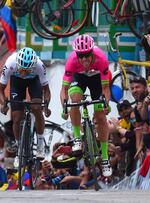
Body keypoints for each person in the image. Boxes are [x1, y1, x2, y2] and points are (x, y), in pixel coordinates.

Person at [60, 34, 112, 177]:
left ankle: (105, 158)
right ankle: (77, 138)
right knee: (74, 99)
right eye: (80, 56)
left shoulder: (101, 59)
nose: (84, 59)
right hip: (79, 79)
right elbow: (64, 89)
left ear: (92, 52)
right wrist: (64, 106)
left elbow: (106, 88)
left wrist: (105, 103)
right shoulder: (71, 61)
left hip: (97, 81)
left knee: (101, 116)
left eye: (87, 55)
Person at [0, 47, 51, 160]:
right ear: (18, 64)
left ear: (33, 66)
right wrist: (4, 104)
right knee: (16, 116)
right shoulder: (10, 64)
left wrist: (46, 106)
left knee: (37, 108)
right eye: (22, 69)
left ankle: (40, 144)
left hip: (34, 81)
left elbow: (46, 90)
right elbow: (0, 90)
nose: (24, 73)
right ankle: (19, 147)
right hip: (16, 83)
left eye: (28, 70)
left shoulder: (39, 66)